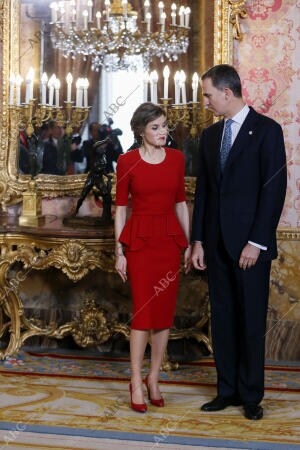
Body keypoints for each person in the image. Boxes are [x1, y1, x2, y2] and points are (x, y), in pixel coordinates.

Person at [191, 64, 287, 420]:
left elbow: (274, 190)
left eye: (208, 95)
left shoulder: (267, 131)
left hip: (250, 248)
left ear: (227, 93)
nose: (206, 102)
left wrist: (257, 242)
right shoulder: (210, 137)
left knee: (250, 322)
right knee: (224, 319)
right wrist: (198, 240)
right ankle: (226, 390)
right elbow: (203, 193)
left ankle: (251, 395)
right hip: (215, 245)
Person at [114, 102, 190, 413]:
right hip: (140, 243)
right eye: (155, 127)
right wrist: (119, 250)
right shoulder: (127, 161)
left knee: (163, 315)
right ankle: (135, 380)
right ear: (141, 131)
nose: (163, 132)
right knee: (143, 313)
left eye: (164, 126)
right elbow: (120, 208)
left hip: (169, 243)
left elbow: (182, 203)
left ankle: (154, 377)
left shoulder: (176, 158)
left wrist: (189, 244)